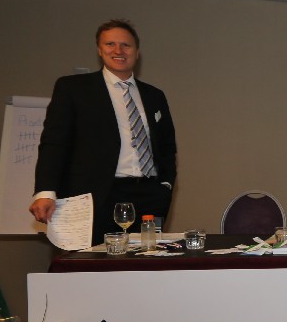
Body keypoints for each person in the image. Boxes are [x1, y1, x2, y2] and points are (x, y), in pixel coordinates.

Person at [30, 19, 177, 246]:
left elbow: (167, 146)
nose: (118, 51)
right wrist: (45, 192)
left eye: (126, 45)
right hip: (97, 197)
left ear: (137, 52)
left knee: (146, 262)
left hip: (149, 197)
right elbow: (54, 143)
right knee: (92, 263)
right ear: (99, 50)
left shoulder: (154, 95)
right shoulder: (74, 89)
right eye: (110, 44)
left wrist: (165, 186)